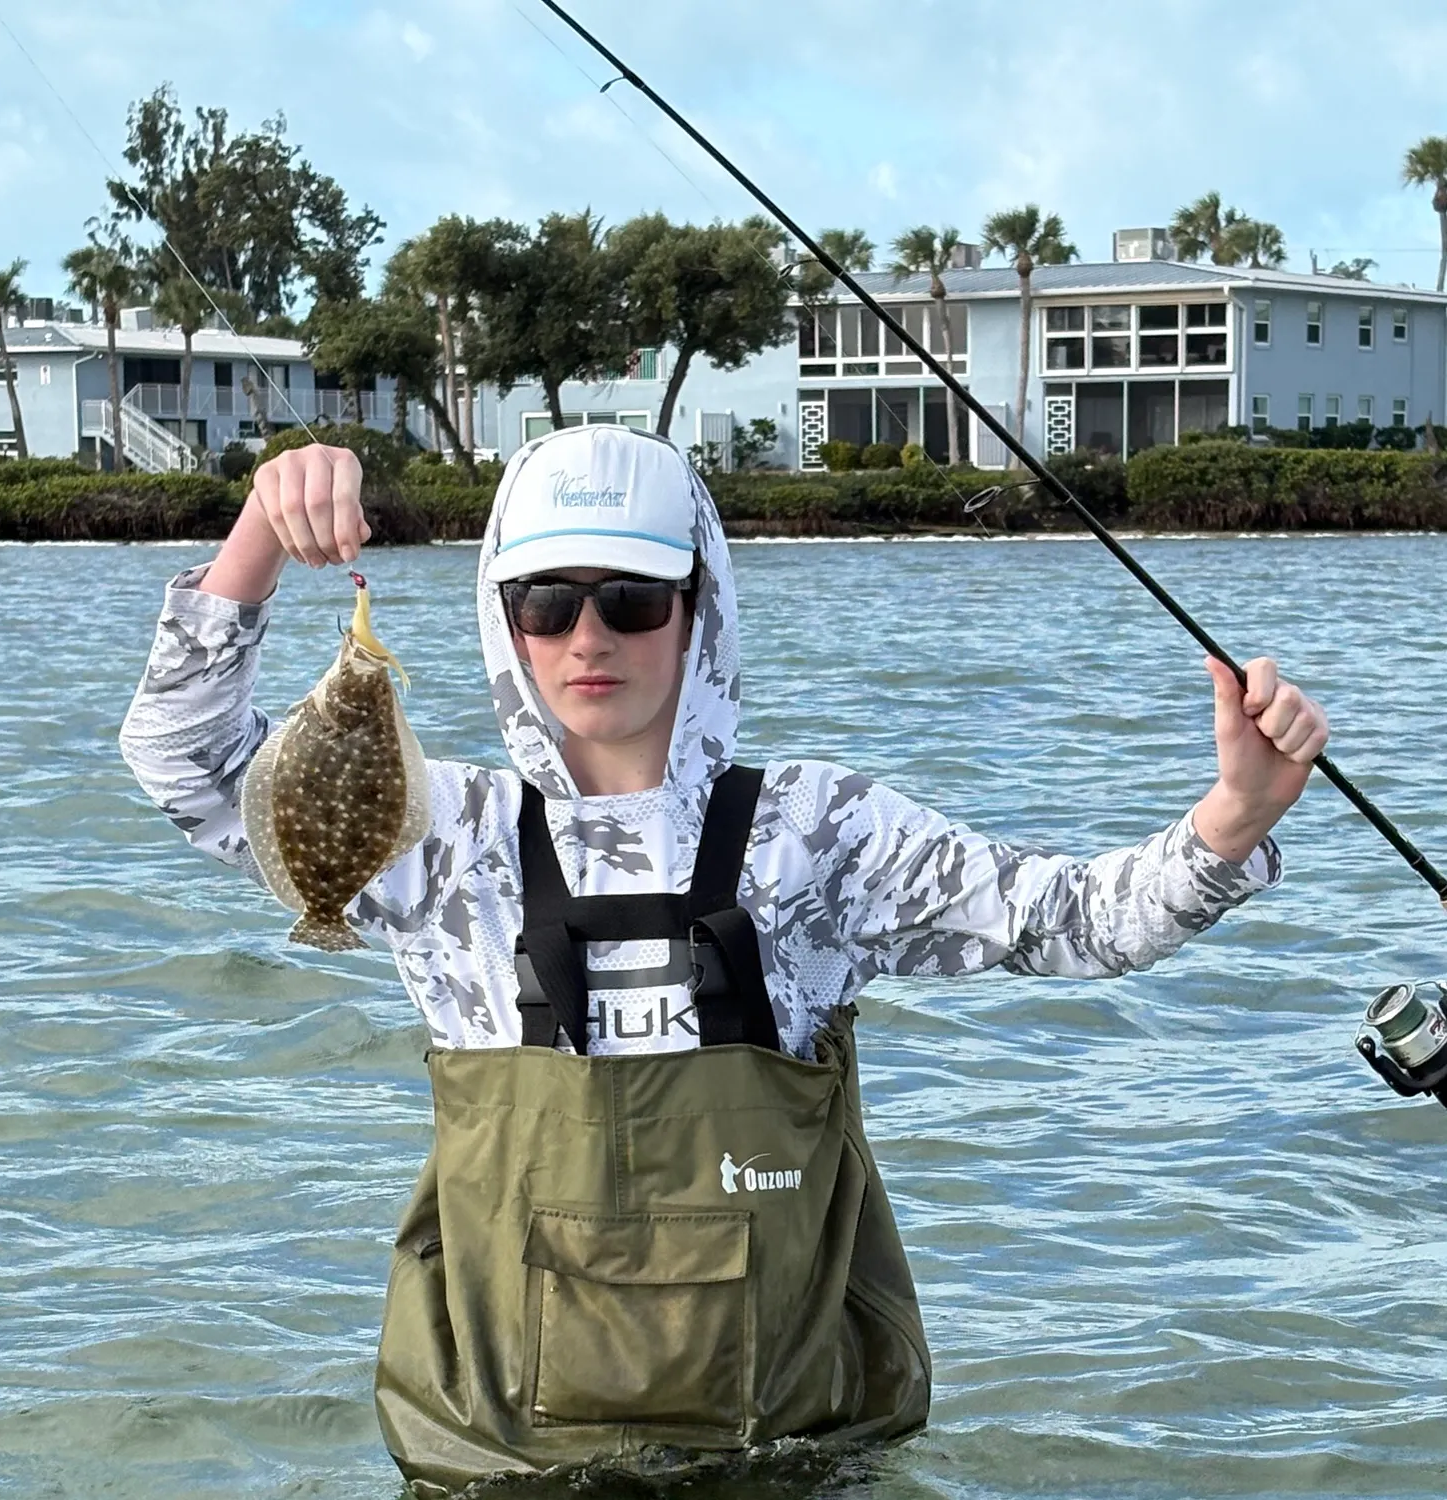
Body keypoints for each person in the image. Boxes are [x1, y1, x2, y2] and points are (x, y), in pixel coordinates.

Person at [120, 426, 1328, 1491]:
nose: (588, 636)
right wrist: (258, 533)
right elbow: (183, 763)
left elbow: (1073, 919)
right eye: (546, 602)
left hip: (796, 1450)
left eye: (632, 599)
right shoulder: (441, 834)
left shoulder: (817, 833)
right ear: (504, 622)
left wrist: (1231, 819)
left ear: (699, 606)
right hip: (492, 1455)